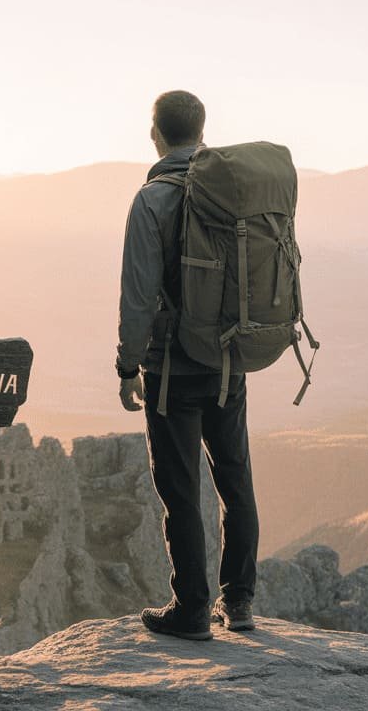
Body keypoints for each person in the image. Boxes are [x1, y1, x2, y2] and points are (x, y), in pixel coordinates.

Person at [115, 90, 259, 641]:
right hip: (228, 362)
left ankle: (193, 610)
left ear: (155, 134)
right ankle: (240, 603)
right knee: (235, 479)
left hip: (173, 369)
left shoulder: (151, 200)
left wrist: (128, 367)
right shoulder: (229, 193)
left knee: (181, 490)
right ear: (203, 131)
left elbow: (137, 298)